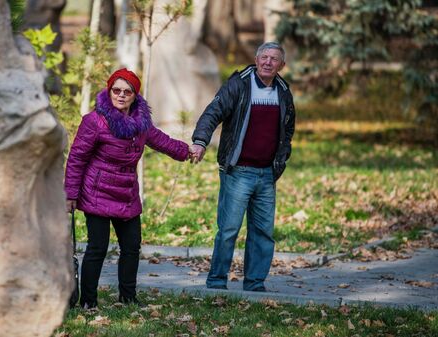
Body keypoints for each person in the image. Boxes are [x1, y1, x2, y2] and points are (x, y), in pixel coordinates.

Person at [65, 68, 191, 308]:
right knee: (97, 248)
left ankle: (128, 298)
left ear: (135, 95)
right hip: (97, 192)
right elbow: (77, 158)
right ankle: (88, 302)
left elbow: (162, 141)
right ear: (109, 90)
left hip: (127, 193)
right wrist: (70, 194)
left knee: (132, 247)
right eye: (116, 90)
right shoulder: (94, 121)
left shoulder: (141, 122)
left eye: (127, 91)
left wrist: (187, 151)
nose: (121, 95)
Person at [189, 42, 296, 292]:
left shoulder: (283, 91)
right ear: (257, 59)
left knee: (263, 233)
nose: (268, 62)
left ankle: (255, 283)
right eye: (264, 57)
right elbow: (213, 112)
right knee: (228, 230)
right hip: (238, 172)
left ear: (282, 65)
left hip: (267, 174)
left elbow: (288, 129)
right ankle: (216, 282)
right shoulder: (240, 83)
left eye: (274, 59)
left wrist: (282, 158)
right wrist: (200, 141)